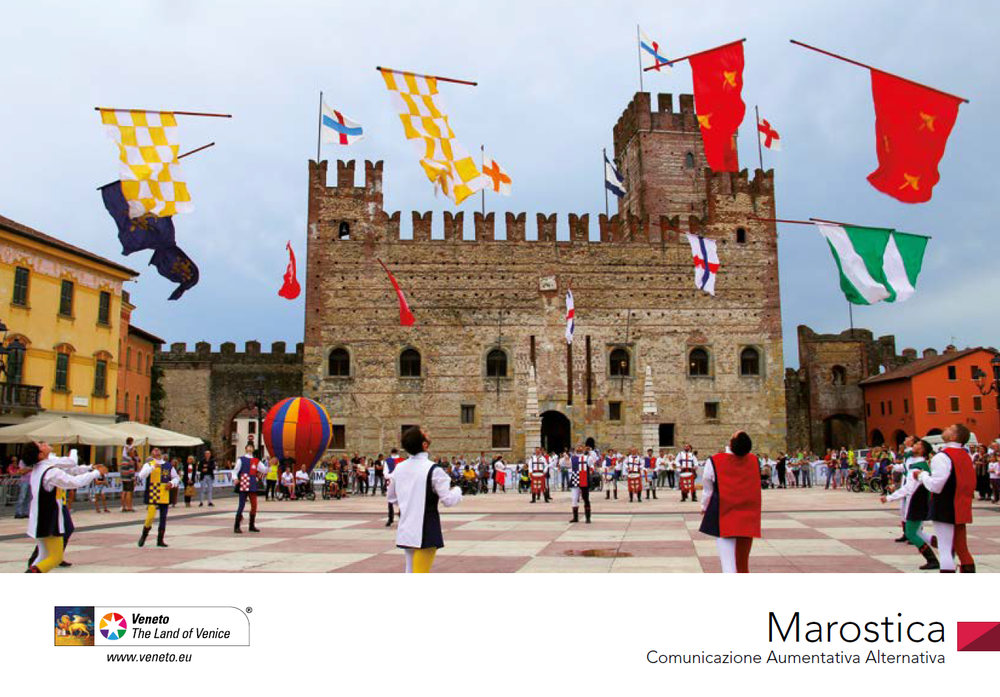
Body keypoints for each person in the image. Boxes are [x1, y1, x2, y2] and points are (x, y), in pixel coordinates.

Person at [387, 426, 462, 573]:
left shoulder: (399, 468)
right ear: (424, 445)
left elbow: (391, 497)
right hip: (426, 526)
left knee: (410, 570)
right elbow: (448, 500)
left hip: (406, 525)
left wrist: (408, 504)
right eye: (425, 433)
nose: (428, 433)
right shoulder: (434, 470)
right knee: (420, 572)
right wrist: (458, 491)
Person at [23, 443, 107, 573]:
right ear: (40, 454)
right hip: (49, 521)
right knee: (55, 558)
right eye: (41, 445)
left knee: (43, 555)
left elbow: (71, 468)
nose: (44, 443)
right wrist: (96, 473)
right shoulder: (50, 472)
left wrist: (90, 468)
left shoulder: (41, 467)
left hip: (39, 519)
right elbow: (74, 482)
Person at [917, 423, 977, 573]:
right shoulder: (965, 455)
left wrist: (922, 475)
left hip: (944, 504)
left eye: (949, 428)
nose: (945, 429)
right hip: (961, 505)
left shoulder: (942, 456)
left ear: (953, 437)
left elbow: (936, 486)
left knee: (945, 548)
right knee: (962, 547)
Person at [699, 431, 762, 573]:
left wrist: (704, 506)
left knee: (728, 564)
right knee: (742, 564)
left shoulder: (715, 461)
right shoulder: (754, 461)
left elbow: (708, 487)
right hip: (747, 518)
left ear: (731, 443)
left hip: (725, 515)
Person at [881, 438, 938, 570]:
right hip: (917, 500)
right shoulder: (915, 463)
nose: (914, 445)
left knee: (911, 533)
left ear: (922, 450)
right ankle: (939, 544)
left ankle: (933, 559)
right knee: (916, 531)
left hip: (916, 501)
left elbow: (909, 488)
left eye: (917, 444)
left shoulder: (918, 466)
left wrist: (889, 498)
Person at [136, 448, 179, 548]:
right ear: (152, 453)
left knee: (163, 517)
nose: (156, 450)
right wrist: (152, 467)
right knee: (150, 516)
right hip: (153, 492)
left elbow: (176, 477)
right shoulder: (149, 464)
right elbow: (141, 475)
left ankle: (160, 539)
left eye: (157, 449)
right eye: (154, 450)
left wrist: (171, 483)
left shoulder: (168, 465)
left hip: (164, 492)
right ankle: (144, 534)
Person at [233, 444, 267, 534]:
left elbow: (264, 469)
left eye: (252, 447)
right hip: (244, 482)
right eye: (248, 447)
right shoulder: (241, 459)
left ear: (253, 449)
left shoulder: (256, 460)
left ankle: (251, 525)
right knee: (241, 504)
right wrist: (235, 478)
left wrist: (271, 466)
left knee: (254, 505)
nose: (250, 448)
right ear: (245, 449)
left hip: (252, 483)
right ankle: (237, 525)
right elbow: (235, 470)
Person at [568, 444, 594, 524]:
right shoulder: (572, 458)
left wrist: (590, 452)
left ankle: (588, 517)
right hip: (575, 478)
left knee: (585, 498)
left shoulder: (587, 457)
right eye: (577, 447)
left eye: (580, 447)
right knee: (574, 498)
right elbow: (568, 466)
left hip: (583, 479)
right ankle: (575, 517)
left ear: (583, 449)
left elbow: (592, 464)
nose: (579, 448)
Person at [385, 448, 401, 525]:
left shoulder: (387, 461)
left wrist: (391, 477)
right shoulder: (403, 460)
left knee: (390, 500)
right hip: (400, 482)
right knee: (402, 499)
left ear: (391, 452)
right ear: (397, 452)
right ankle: (401, 514)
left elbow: (385, 473)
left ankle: (390, 518)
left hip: (391, 481)